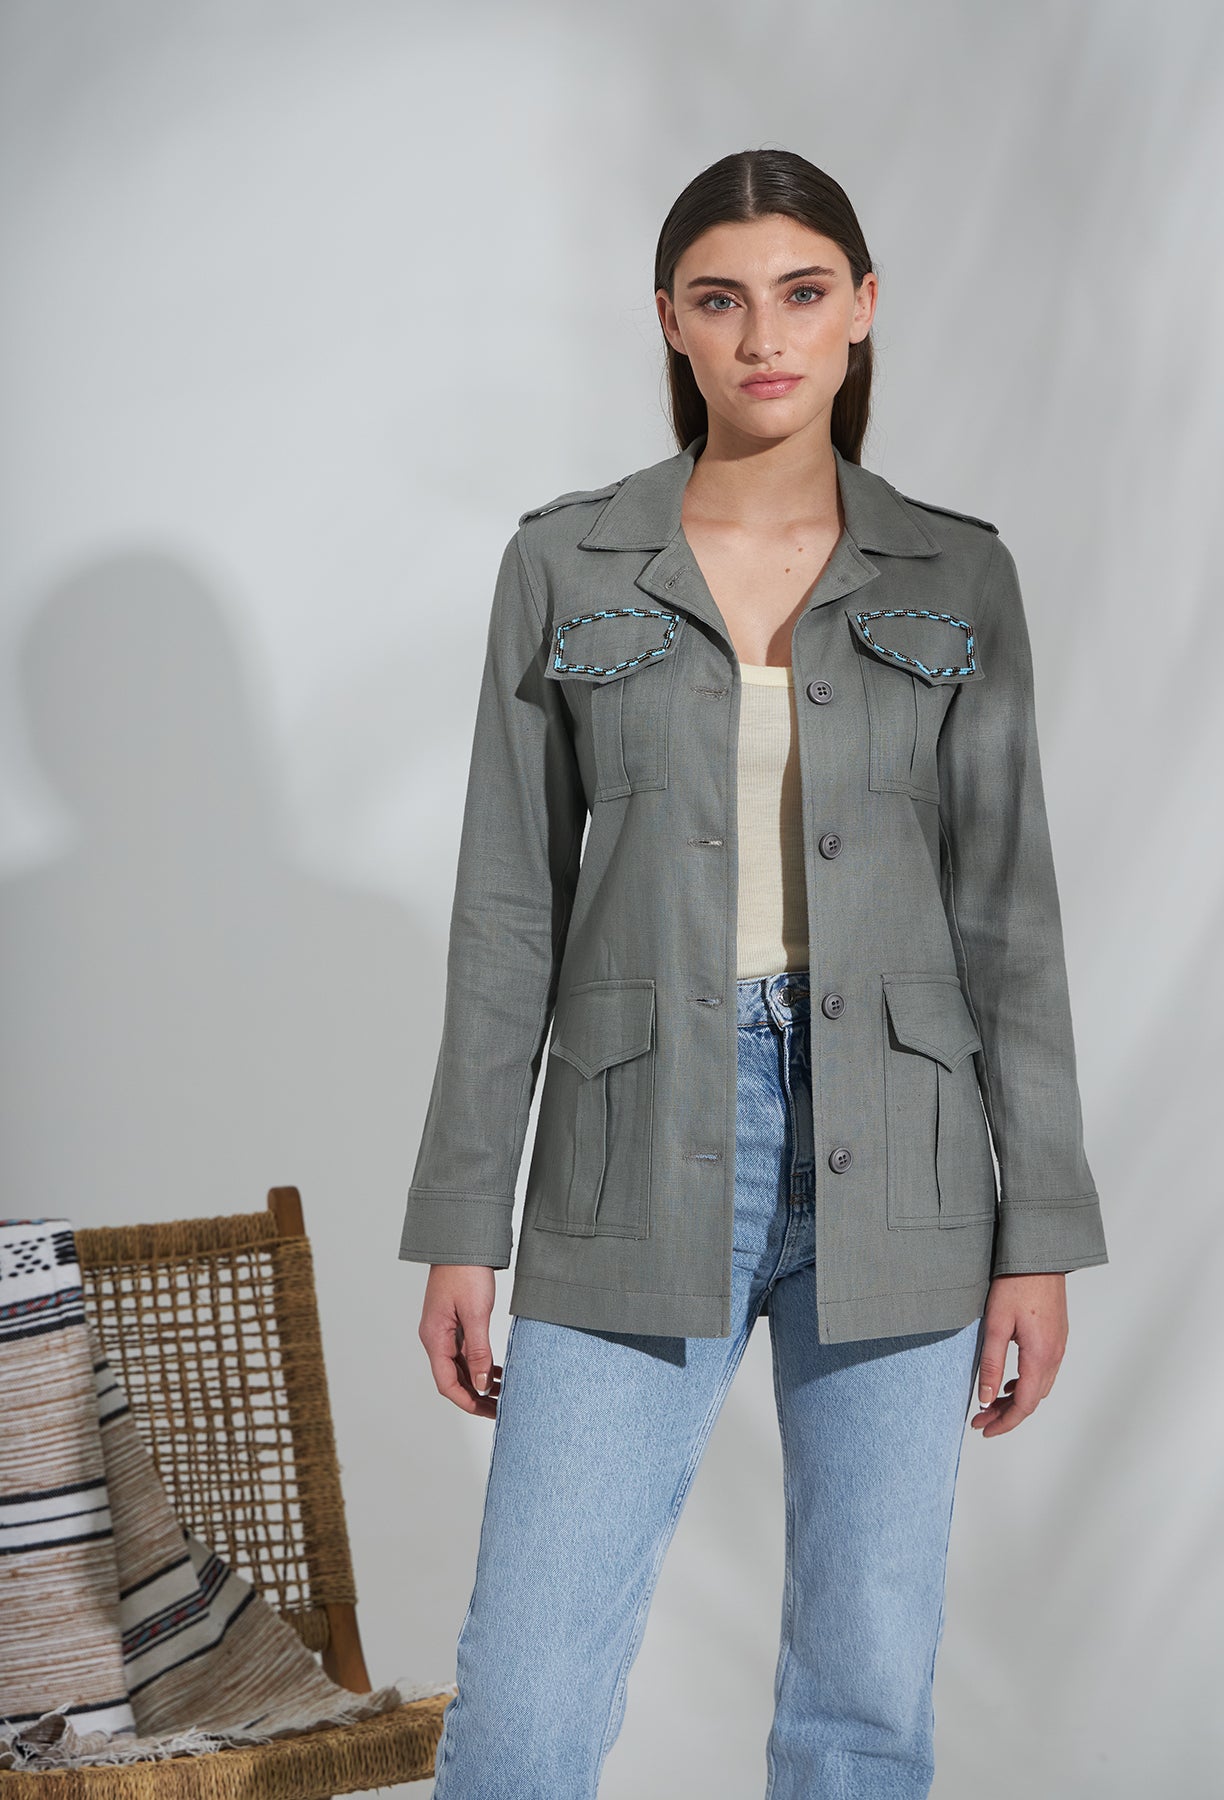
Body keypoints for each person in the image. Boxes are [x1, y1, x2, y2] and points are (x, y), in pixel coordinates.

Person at [398, 147, 1108, 1799]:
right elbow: (506, 910)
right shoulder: (568, 563)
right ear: (671, 321)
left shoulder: (957, 574)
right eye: (721, 300)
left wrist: (1041, 1238)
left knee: (863, 1700)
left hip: (908, 1161)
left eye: (802, 293)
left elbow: (1010, 919)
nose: (764, 336)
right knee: (526, 1709)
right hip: (632, 1146)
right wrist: (461, 1223)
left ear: (863, 310)